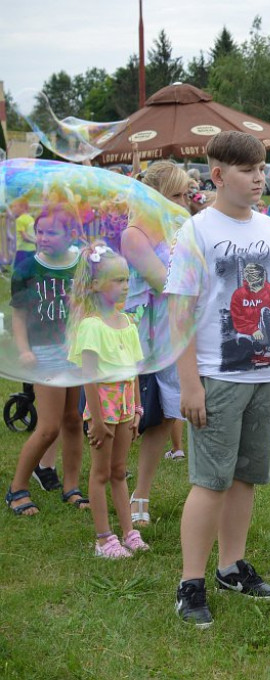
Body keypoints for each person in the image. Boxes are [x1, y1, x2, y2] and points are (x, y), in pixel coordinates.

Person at [165, 131, 270, 628]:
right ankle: (190, 582)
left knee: (246, 476)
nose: (259, 179)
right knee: (210, 481)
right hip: (216, 377)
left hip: (266, 375)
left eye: (263, 170)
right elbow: (178, 314)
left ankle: (230, 567)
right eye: (248, 171)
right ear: (219, 176)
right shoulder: (195, 232)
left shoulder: (268, 231)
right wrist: (190, 384)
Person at [121, 161, 191, 527]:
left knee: (166, 415)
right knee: (134, 419)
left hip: (174, 328)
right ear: (156, 197)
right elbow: (163, 280)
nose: (185, 201)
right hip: (145, 334)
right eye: (177, 195)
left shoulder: (179, 225)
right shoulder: (134, 234)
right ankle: (115, 488)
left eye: (185, 194)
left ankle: (140, 493)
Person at [6, 206, 88, 516]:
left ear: (71, 235)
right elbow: (19, 316)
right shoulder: (27, 268)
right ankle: (17, 489)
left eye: (51, 232)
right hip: (45, 353)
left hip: (76, 351)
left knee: (73, 420)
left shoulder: (81, 265)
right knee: (49, 426)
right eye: (40, 231)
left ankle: (71, 487)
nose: (43, 237)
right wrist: (25, 349)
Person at [67, 243, 147, 558]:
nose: (125, 286)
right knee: (100, 473)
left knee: (118, 470)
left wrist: (138, 409)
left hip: (126, 406)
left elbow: (134, 371)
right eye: (117, 280)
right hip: (103, 407)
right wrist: (97, 421)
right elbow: (90, 379)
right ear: (95, 285)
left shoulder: (127, 322)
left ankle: (128, 532)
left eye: (127, 279)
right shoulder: (91, 326)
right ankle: (103, 539)